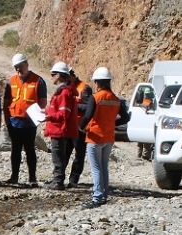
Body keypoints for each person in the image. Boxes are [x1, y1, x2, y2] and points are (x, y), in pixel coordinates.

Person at [78, 67, 130, 209]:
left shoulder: (95, 98)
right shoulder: (116, 99)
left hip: (94, 137)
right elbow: (126, 118)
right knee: (103, 167)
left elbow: (87, 116)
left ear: (97, 82)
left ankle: (97, 197)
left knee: (96, 168)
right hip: (109, 137)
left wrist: (80, 127)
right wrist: (112, 123)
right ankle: (104, 195)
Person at [3, 53, 47, 186]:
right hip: (14, 122)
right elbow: (6, 102)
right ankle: (14, 177)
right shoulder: (11, 81)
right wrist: (6, 121)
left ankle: (32, 178)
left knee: (30, 150)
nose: (18, 69)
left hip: (29, 123)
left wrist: (36, 118)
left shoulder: (38, 81)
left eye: (20, 66)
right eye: (16, 67)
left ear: (26, 64)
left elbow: (43, 103)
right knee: (15, 150)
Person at [42, 61, 78, 190]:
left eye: (53, 74)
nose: (51, 77)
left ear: (59, 75)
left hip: (59, 130)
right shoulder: (63, 92)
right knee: (59, 156)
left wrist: (49, 117)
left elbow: (63, 114)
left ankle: (58, 181)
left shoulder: (64, 93)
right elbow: (57, 110)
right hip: (58, 129)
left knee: (58, 157)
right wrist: (46, 112)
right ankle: (57, 179)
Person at [65, 68, 93, 188]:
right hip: (67, 126)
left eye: (66, 76)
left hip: (79, 127)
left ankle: (73, 180)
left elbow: (89, 107)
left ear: (72, 75)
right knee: (64, 153)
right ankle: (59, 178)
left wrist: (73, 106)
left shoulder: (84, 88)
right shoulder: (65, 87)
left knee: (79, 154)